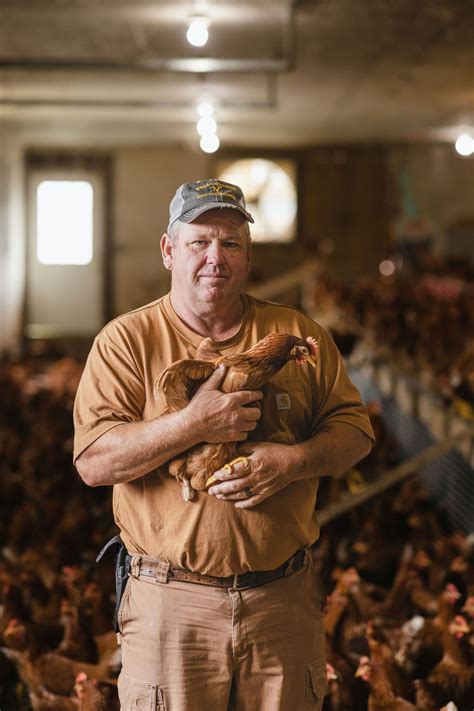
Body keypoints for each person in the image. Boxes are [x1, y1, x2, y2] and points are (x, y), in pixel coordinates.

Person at [73, 178, 375, 711]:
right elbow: (95, 462)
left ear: (247, 255)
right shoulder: (125, 341)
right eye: (200, 242)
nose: (216, 257)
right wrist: (193, 424)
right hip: (172, 604)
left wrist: (294, 461)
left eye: (231, 243)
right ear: (169, 250)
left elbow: (356, 433)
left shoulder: (298, 333)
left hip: (282, 599)